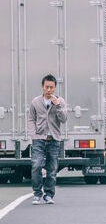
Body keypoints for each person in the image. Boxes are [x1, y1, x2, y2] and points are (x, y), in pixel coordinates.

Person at [28, 74, 68, 205]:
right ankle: (37, 194)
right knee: (36, 165)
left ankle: (49, 195)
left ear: (55, 87)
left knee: (52, 169)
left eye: (51, 87)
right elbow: (31, 119)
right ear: (42, 87)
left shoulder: (60, 101)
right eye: (47, 87)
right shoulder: (35, 102)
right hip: (39, 138)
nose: (49, 90)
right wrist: (33, 134)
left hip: (54, 139)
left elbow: (63, 119)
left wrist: (57, 106)